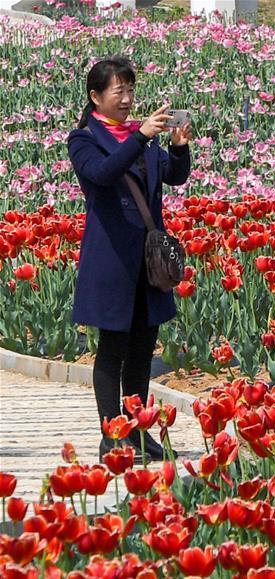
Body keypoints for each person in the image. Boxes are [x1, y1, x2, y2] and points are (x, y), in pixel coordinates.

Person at [67, 55, 192, 462]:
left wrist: (178, 147)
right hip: (112, 260)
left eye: (130, 90)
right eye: (118, 91)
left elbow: (172, 177)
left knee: (143, 348)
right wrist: (138, 137)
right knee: (113, 347)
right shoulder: (84, 139)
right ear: (95, 96)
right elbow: (102, 174)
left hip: (148, 263)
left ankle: (138, 430)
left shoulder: (140, 138)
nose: (126, 98)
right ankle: (111, 434)